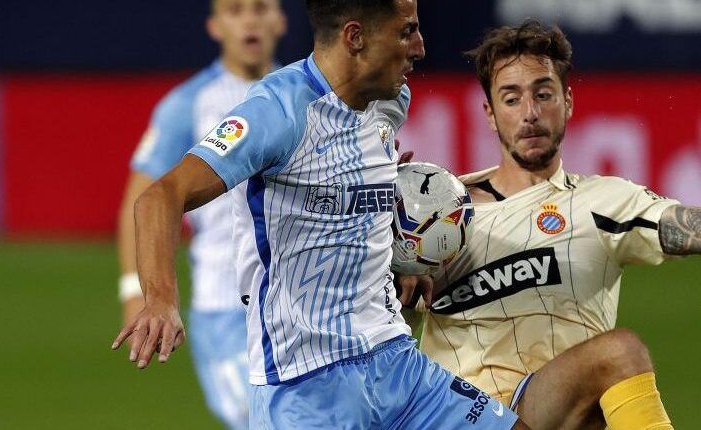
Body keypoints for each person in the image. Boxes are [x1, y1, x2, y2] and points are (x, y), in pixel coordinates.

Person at [112, 0, 531, 428]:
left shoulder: (389, 99)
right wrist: (158, 300)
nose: (421, 47)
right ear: (355, 37)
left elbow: (360, 187)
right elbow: (160, 196)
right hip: (303, 389)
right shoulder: (277, 112)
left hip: (396, 364)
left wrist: (404, 253)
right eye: (406, 32)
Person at [417, 19, 701, 430]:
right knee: (617, 354)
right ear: (491, 114)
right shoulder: (439, 214)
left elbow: (686, 225)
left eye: (543, 94)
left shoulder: (602, 201)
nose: (530, 113)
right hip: (463, 417)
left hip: (548, 410)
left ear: (567, 102)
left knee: (616, 360)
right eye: (511, 99)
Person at [115, 1, 285, 428]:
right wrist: (135, 290)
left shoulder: (302, 93)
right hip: (223, 304)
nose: (249, 19)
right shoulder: (188, 105)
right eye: (235, 10)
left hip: (296, 300)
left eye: (260, 8)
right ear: (215, 26)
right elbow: (141, 200)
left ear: (279, 21)